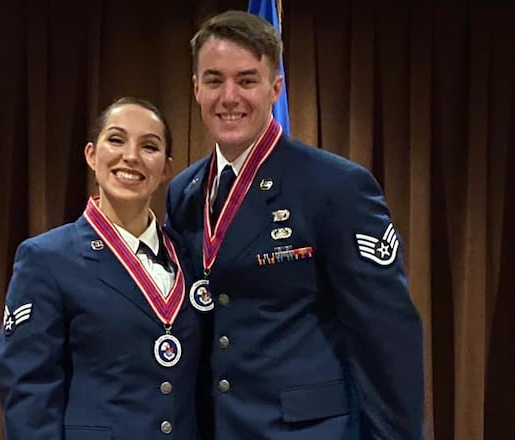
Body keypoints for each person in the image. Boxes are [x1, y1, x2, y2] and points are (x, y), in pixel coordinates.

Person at [164, 10, 424, 440]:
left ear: (275, 89)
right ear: (196, 89)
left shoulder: (335, 186)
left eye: (247, 80)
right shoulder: (185, 193)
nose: (229, 96)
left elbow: (387, 336)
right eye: (214, 80)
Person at [0, 97, 204, 439]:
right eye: (117, 140)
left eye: (149, 146)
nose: (131, 156)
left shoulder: (190, 259)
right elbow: (28, 391)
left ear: (166, 168)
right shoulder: (46, 259)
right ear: (92, 155)